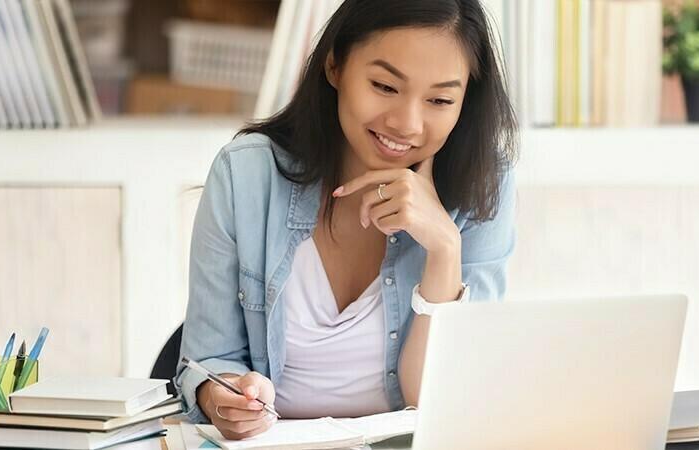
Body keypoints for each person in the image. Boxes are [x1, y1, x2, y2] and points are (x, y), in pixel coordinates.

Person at [174, 0, 518, 441]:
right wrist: (225, 396)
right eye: (385, 86)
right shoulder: (246, 175)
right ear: (335, 66)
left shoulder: (483, 185)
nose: (407, 124)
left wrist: (444, 248)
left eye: (440, 99)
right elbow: (207, 361)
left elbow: (439, 402)